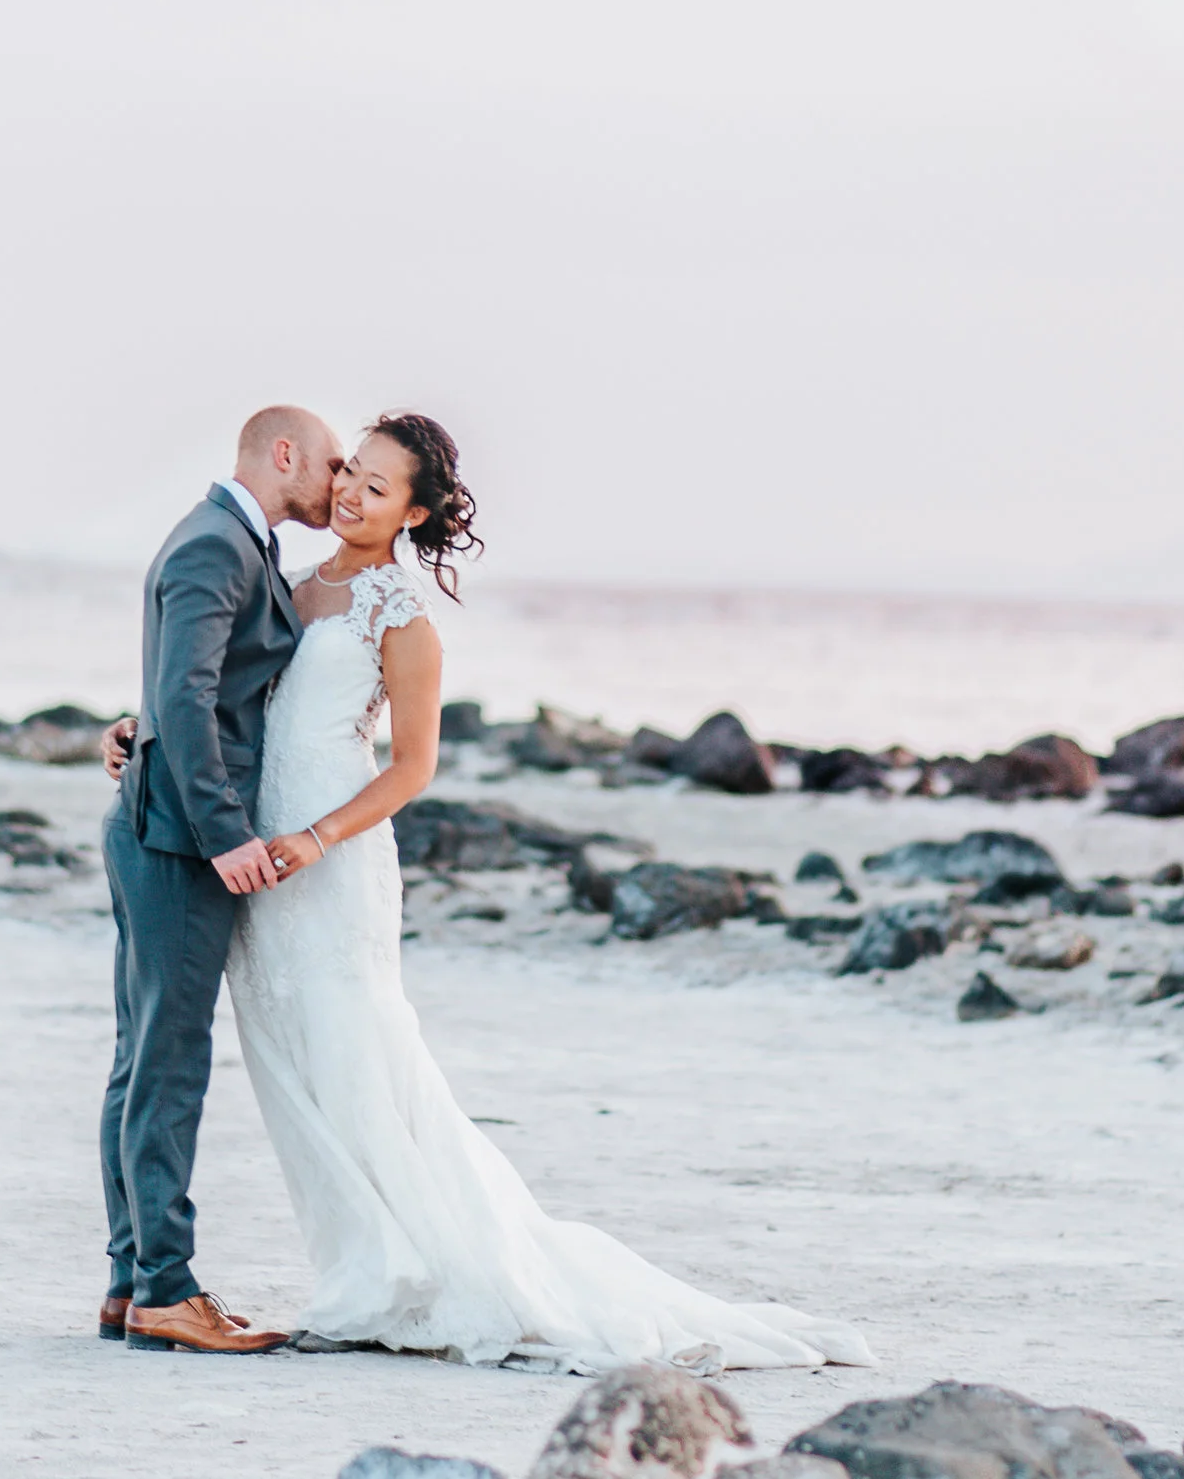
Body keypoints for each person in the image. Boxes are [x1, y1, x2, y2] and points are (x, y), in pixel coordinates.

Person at [222, 411, 874, 1372]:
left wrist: (317, 837)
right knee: (291, 1060)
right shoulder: (290, 583)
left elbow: (413, 768)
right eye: (351, 470)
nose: (351, 491)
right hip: (262, 851)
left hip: (332, 854)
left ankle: (395, 1279)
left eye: (377, 486)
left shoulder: (402, 615)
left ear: (412, 513)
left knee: (358, 1052)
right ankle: (361, 1264)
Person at [97, 403, 344, 1354]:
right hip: (175, 842)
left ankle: (132, 1281)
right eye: (330, 462)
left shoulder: (231, 540)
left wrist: (136, 730)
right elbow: (187, 694)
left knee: (144, 1059)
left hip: (158, 823)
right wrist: (226, 834)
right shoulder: (216, 543)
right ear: (284, 454)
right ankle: (165, 1285)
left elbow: (190, 684)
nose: (337, 480)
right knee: (167, 1063)